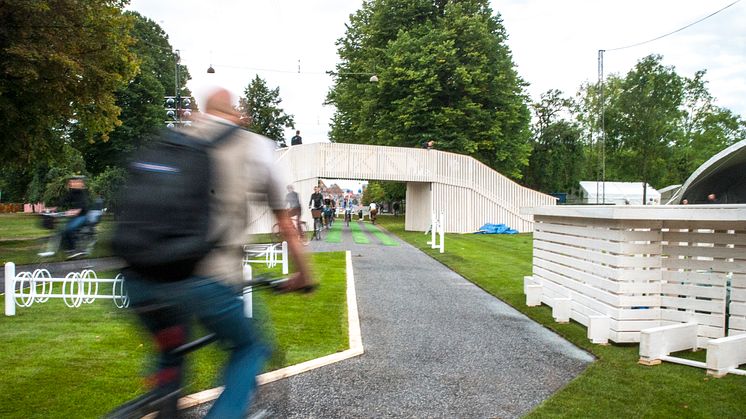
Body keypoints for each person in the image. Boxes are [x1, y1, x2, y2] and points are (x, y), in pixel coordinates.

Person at [123, 88, 314, 419]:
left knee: (171, 353)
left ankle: (163, 395)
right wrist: (304, 276)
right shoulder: (254, 145)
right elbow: (286, 226)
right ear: (236, 113)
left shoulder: (176, 137)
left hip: (139, 275)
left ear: (203, 110)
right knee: (249, 347)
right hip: (206, 279)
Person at [61, 176, 90, 252]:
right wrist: (53, 207)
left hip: (83, 216)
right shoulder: (72, 192)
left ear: (80, 183)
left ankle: (73, 248)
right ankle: (68, 246)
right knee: (63, 230)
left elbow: (82, 206)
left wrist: (73, 211)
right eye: (71, 182)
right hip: (76, 216)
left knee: (69, 229)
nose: (71, 183)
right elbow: (64, 200)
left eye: (74, 182)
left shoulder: (82, 192)